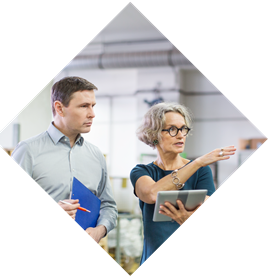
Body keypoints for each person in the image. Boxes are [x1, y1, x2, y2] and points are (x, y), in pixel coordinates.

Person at [12, 76, 118, 243]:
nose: (92, 114)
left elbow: (109, 206)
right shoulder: (28, 151)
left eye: (93, 106)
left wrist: (100, 230)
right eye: (84, 106)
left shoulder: (96, 155)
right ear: (59, 108)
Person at [130, 102, 236, 265]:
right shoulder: (141, 171)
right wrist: (196, 163)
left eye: (183, 129)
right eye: (172, 129)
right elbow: (152, 194)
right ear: (154, 134)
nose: (181, 135)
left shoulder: (202, 171)